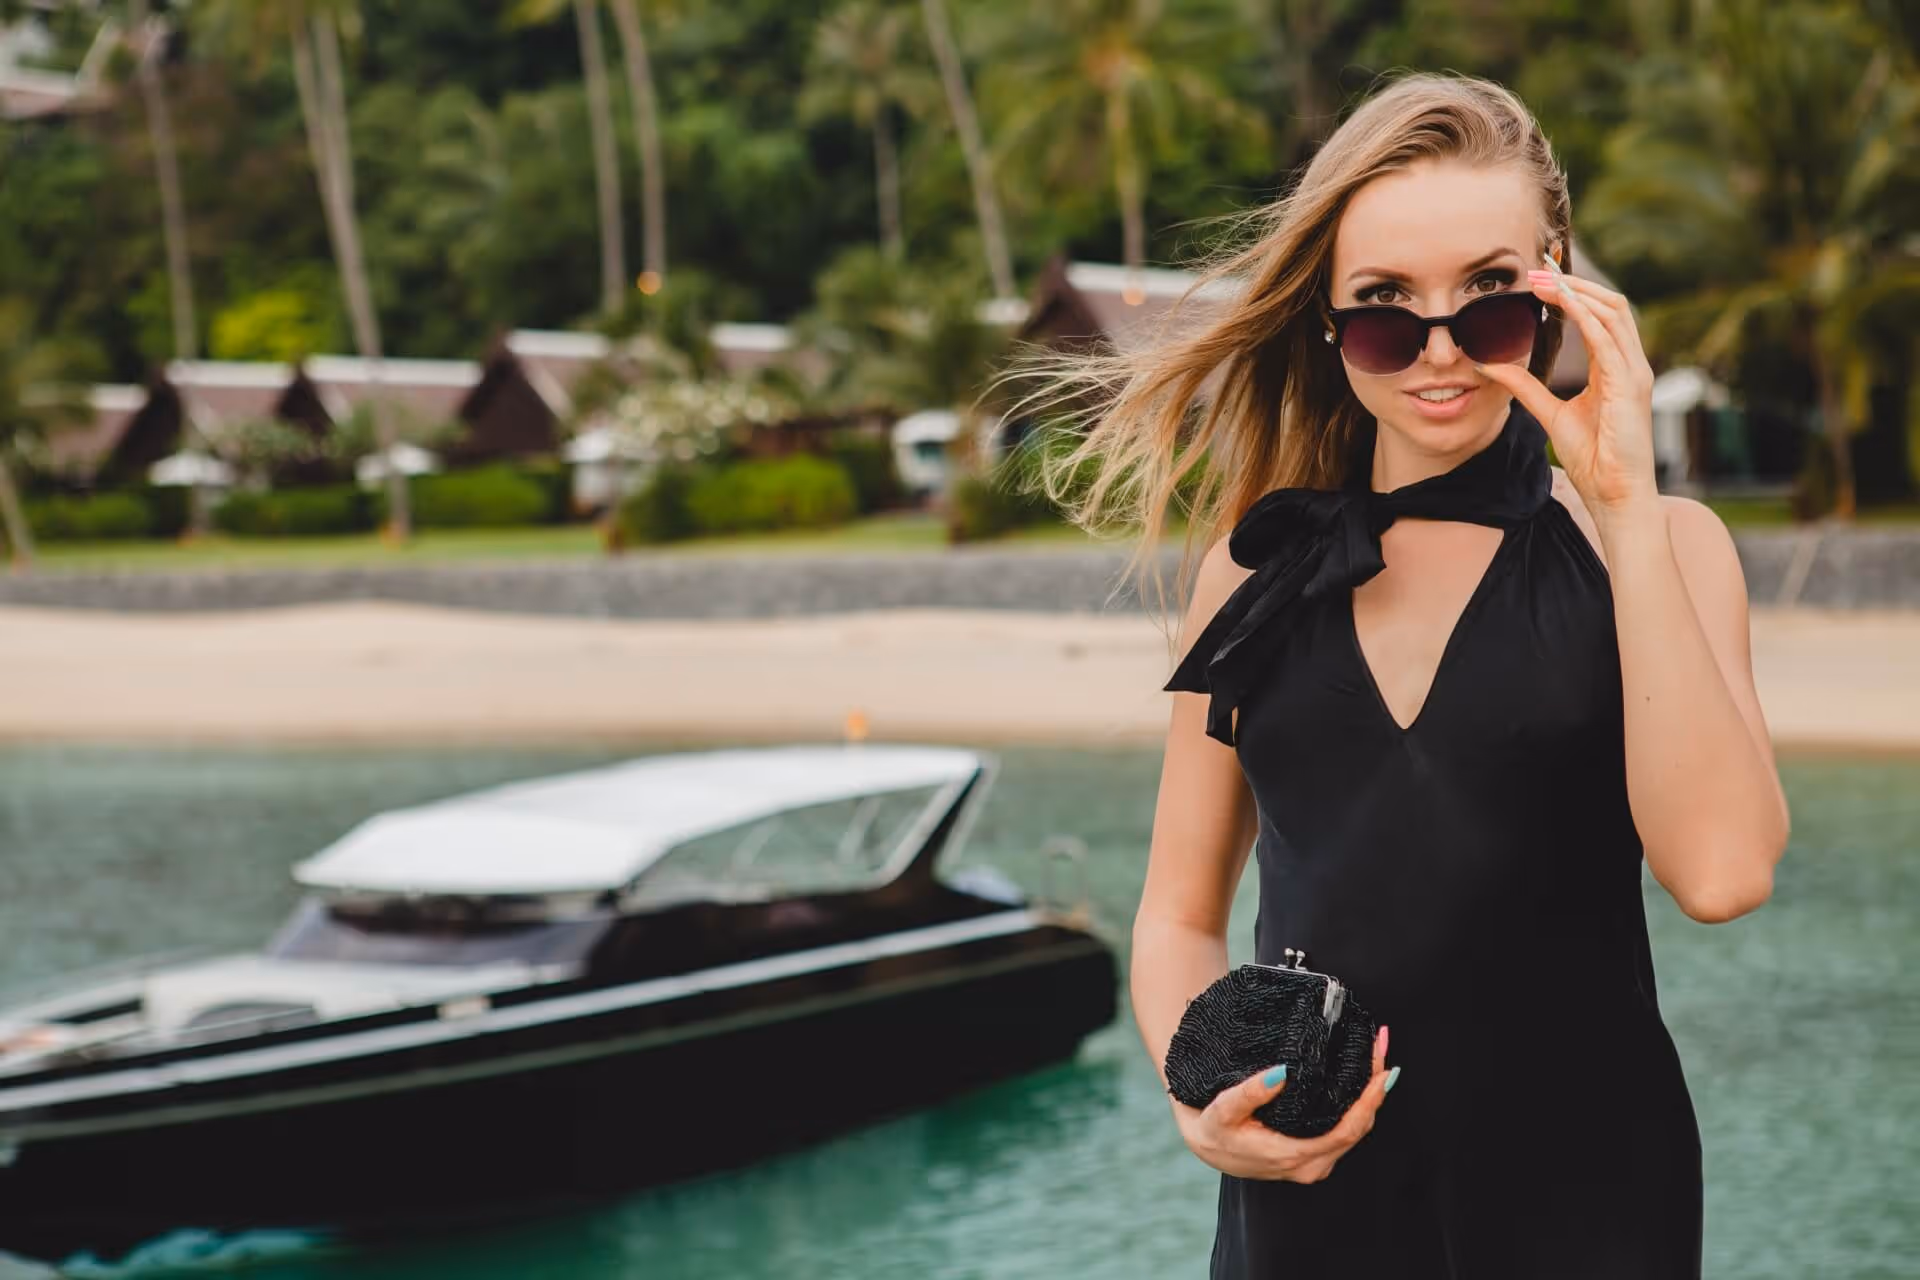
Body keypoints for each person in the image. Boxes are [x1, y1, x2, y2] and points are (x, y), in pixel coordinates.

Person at [999, 71, 1790, 1278]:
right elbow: (1176, 914)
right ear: (1327, 321)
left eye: (1489, 299)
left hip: (1586, 1202)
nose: (1441, 352)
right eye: (1384, 309)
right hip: (1311, 1206)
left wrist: (1624, 506)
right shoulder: (1254, 569)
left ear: (1556, 282)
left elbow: (1724, 873)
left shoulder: (1662, 547)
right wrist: (1199, 1098)